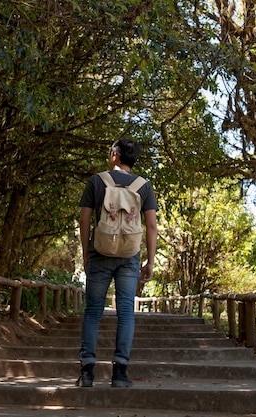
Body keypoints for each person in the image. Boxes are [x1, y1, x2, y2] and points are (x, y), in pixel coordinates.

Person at [77, 137, 158, 388]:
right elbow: (152, 226)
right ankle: (120, 373)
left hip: (100, 252)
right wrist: (150, 262)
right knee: (125, 313)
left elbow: (85, 220)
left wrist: (85, 253)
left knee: (92, 312)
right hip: (129, 257)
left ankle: (87, 373)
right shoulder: (144, 186)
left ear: (114, 156)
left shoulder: (96, 181)